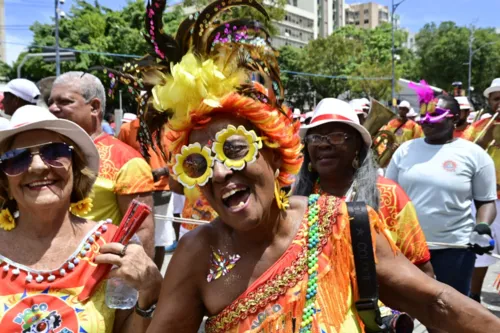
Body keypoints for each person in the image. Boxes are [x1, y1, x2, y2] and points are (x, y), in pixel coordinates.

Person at [135, 1, 500, 332]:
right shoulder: (196, 254)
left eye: (233, 150)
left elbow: (435, 302)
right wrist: (147, 300)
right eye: (197, 164)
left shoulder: (340, 223)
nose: (218, 174)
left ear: (274, 153)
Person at [0, 105, 161, 332]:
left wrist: (150, 292)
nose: (37, 166)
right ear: (5, 181)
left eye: (54, 152)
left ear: (76, 168)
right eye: (16, 158)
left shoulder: (113, 246)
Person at [295, 98, 433, 276]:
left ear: (357, 146)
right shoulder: (297, 198)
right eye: (314, 138)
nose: (323, 144)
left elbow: (422, 270)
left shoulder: (389, 195)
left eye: (336, 136)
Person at [386, 93, 497, 297]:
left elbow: (486, 201)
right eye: (423, 114)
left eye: (435, 114)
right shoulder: (404, 151)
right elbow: (388, 194)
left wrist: (482, 226)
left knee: (449, 312)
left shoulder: (475, 155)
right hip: (407, 247)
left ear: (454, 118)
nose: (426, 120)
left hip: (455, 250)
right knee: (407, 310)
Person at [48, 72, 156, 257]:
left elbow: (142, 233)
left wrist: (131, 282)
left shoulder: (127, 161)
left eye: (64, 102)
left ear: (95, 107)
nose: (52, 108)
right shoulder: (43, 154)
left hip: (97, 275)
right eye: (50, 101)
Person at [118, 116, 171, 268]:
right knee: (132, 236)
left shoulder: (170, 130)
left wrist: (162, 171)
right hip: (133, 189)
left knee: (159, 240)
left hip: (162, 191)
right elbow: (119, 155)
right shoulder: (127, 129)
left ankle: (154, 278)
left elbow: (178, 160)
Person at [464, 78, 500, 302]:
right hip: (486, 198)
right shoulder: (481, 125)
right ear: (489, 101)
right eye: (496, 99)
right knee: (482, 251)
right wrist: (487, 138)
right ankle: (474, 297)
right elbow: (468, 151)